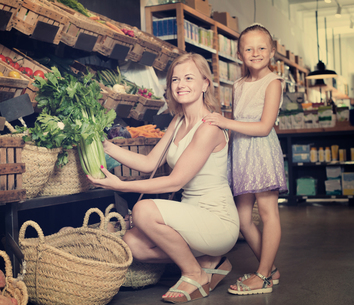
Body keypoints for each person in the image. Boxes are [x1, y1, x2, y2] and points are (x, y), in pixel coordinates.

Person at [88, 53, 239, 303]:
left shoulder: (209, 127)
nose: (181, 85)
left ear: (205, 84)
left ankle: (194, 273)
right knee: (133, 243)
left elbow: (176, 181)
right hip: (191, 220)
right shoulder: (178, 120)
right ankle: (209, 262)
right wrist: (106, 146)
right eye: (175, 79)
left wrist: (122, 185)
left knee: (143, 210)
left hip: (217, 221)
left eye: (189, 78)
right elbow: (149, 163)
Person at [203, 24, 287, 295]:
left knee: (267, 212)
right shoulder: (237, 85)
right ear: (239, 54)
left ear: (272, 52)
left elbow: (264, 127)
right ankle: (270, 268)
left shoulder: (273, 82)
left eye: (262, 47)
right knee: (241, 218)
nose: (255, 53)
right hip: (241, 152)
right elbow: (235, 123)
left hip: (262, 150)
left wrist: (226, 121)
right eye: (248, 48)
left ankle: (263, 275)